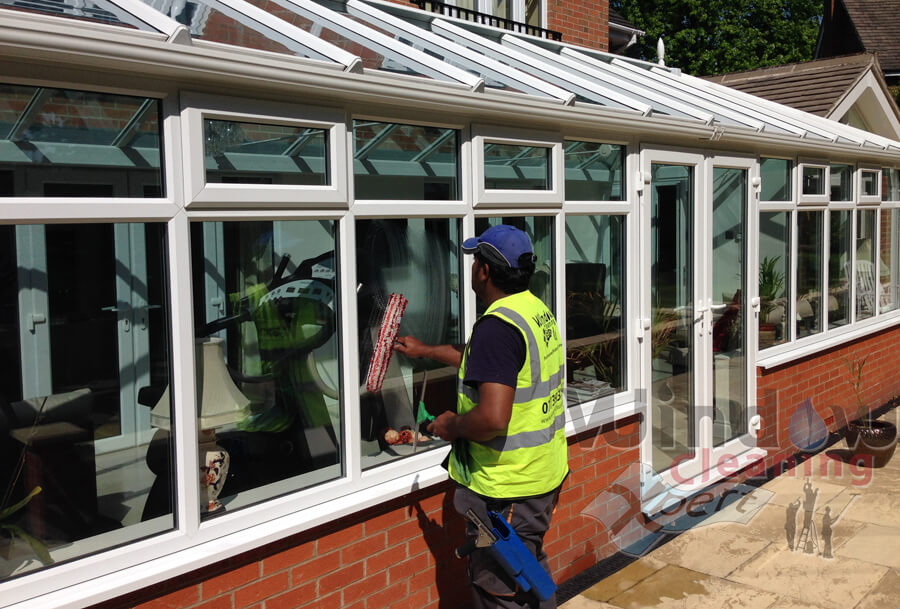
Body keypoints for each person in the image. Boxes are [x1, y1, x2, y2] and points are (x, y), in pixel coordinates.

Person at [395, 224, 567, 609]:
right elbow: (488, 363)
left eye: (475, 260)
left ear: (485, 271)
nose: (472, 268)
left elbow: (492, 418)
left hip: (506, 493)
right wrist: (426, 351)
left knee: (497, 591)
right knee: (528, 574)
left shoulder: (497, 327)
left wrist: (448, 425)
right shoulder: (533, 311)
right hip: (540, 478)